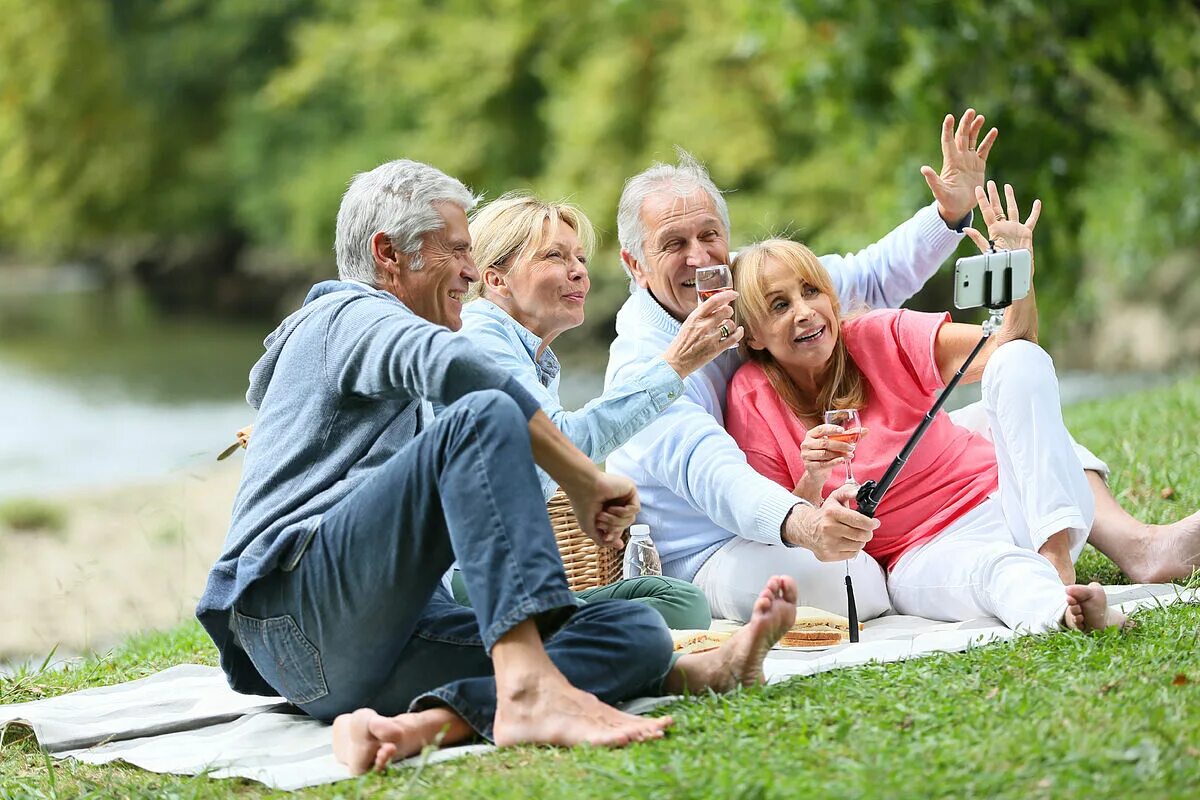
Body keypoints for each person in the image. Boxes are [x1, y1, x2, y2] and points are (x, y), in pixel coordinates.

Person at [194, 158, 799, 777]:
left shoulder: (432, 346)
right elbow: (461, 378)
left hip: (357, 657)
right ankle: (529, 686)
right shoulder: (345, 314)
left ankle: (427, 724)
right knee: (482, 411)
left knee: (634, 629)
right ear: (389, 254)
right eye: (456, 250)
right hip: (294, 611)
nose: (467, 269)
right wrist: (582, 477)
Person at [604, 111, 1198, 624]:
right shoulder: (652, 364)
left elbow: (867, 278)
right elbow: (715, 476)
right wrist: (808, 522)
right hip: (719, 541)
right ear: (635, 264)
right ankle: (1040, 595)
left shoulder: (753, 282)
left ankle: (1128, 550)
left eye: (709, 235)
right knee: (856, 583)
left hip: (899, 496)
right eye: (672, 244)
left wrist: (949, 214)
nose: (698, 256)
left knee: (1011, 402)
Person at [725, 182, 1133, 632]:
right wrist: (813, 477)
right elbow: (780, 523)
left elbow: (1012, 348)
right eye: (779, 305)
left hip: (1016, 508)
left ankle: (1056, 562)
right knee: (994, 570)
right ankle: (1062, 612)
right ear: (754, 334)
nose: (804, 311)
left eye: (811, 291)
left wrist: (1021, 270)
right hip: (923, 552)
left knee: (1018, 359)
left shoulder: (881, 335)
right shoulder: (751, 396)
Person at [447, 191, 741, 630]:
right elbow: (564, 442)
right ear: (496, 279)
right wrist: (676, 364)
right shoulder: (480, 336)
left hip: (518, 574)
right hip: (467, 580)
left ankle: (568, 630)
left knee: (680, 601)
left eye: (580, 258)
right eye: (555, 256)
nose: (579, 271)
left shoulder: (534, 358)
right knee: (668, 616)